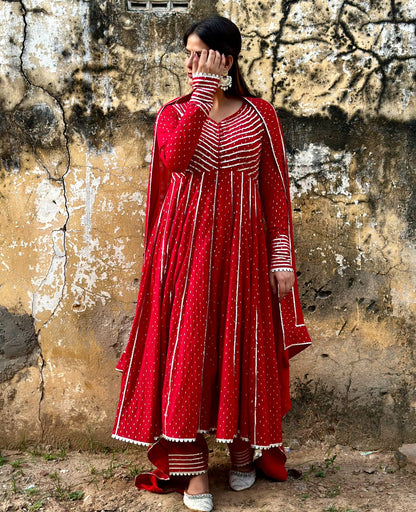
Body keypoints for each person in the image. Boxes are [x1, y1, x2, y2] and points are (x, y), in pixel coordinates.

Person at [112, 15, 311, 512]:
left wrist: (281, 257)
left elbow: (275, 192)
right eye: (187, 53)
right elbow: (178, 160)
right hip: (185, 250)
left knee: (243, 347)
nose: (189, 62)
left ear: (228, 57)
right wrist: (202, 95)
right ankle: (194, 470)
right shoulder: (174, 114)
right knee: (188, 353)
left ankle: (243, 453)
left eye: (200, 53)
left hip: (245, 254)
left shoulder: (260, 114)